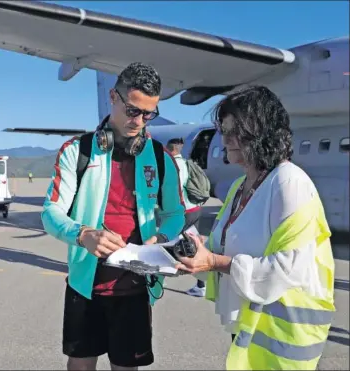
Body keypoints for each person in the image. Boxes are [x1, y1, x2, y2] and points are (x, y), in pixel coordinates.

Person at [175, 86, 335, 370]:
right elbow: (226, 241)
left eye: (232, 131)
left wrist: (212, 261)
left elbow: (287, 268)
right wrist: (193, 248)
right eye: (223, 130)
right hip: (255, 322)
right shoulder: (241, 186)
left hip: (287, 332)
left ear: (260, 133)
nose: (223, 140)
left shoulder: (289, 183)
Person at [42, 62, 185, 371]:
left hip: (135, 285)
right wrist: (82, 235)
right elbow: (51, 212)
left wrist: (162, 237)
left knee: (126, 366)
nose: (140, 121)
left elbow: (175, 213)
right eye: (133, 110)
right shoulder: (76, 151)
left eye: (149, 114)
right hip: (85, 284)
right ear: (113, 97)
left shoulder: (160, 158)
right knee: (80, 363)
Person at [166, 137, 206, 297]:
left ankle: (163, 275)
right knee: (195, 246)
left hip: (183, 212)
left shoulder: (172, 165)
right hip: (195, 209)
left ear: (169, 149)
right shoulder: (187, 164)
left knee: (168, 241)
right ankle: (201, 285)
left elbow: (174, 190)